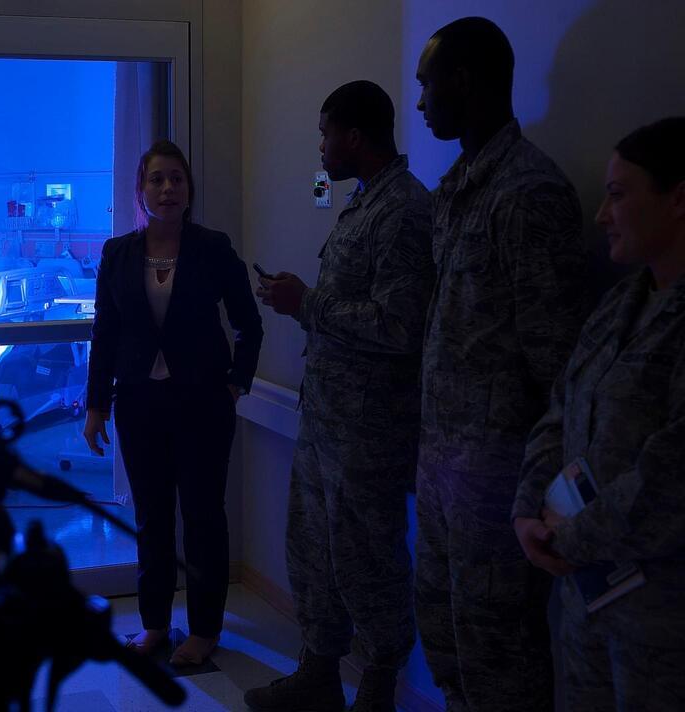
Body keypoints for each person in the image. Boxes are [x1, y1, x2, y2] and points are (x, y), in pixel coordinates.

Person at [413, 17, 588, 711]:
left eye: (427, 84)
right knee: (447, 641)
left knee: (500, 659)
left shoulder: (528, 194)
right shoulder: (458, 189)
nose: (421, 102)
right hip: (444, 469)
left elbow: (560, 367)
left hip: (498, 480)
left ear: (463, 81)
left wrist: (538, 490)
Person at [244, 81, 434, 712]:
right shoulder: (363, 202)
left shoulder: (404, 210)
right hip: (326, 421)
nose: (321, 148)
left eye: (325, 134)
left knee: (368, 562)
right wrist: (304, 304)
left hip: (369, 434)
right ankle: (319, 674)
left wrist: (308, 303)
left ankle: (378, 689)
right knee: (314, 554)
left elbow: (400, 326)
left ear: (353, 137)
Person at [513, 117, 685, 712]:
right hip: (588, 604)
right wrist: (527, 511)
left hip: (662, 629)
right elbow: (561, 411)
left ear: (678, 198)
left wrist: (568, 538)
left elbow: (671, 480)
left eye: (618, 195)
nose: (602, 215)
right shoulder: (620, 304)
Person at [83, 139, 263, 666]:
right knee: (152, 519)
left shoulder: (213, 248)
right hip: (139, 406)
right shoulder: (117, 253)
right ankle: (155, 624)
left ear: (189, 189)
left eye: (177, 179)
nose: (168, 188)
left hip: (203, 406)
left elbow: (249, 325)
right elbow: (105, 334)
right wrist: (96, 405)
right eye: (157, 179)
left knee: (203, 518)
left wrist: (236, 383)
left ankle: (204, 630)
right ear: (140, 190)